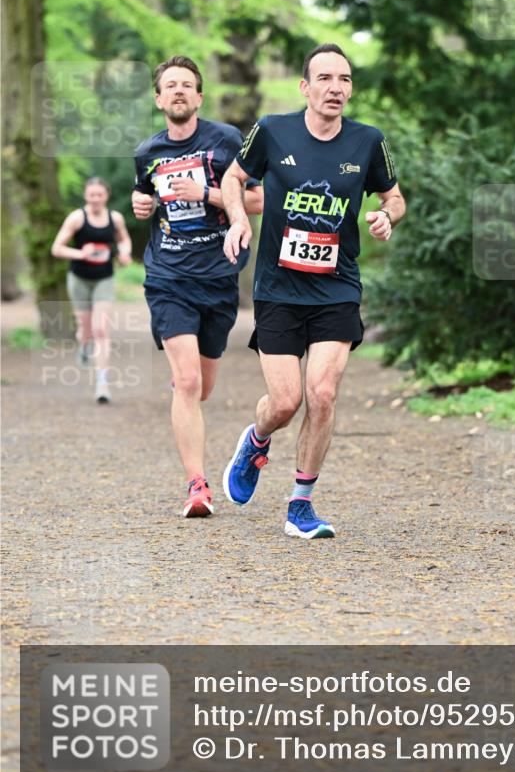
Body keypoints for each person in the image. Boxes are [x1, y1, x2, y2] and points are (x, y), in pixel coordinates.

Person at [221, 43, 406, 540]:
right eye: (324, 78)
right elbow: (235, 178)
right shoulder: (272, 130)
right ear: (305, 87)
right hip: (278, 288)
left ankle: (300, 504)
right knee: (285, 402)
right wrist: (237, 219)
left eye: (344, 79)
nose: (335, 88)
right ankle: (257, 440)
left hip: (336, 287)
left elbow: (394, 196)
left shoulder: (368, 141)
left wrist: (387, 215)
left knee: (321, 394)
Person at [132, 55, 262, 518]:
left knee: (201, 388)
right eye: (170, 85)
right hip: (168, 277)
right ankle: (197, 486)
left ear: (199, 96)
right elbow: (145, 196)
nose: (179, 91)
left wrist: (206, 194)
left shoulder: (226, 141)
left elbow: (258, 199)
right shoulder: (147, 152)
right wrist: (141, 205)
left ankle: (185, 387)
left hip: (219, 276)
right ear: (158, 99)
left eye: (187, 85)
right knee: (187, 381)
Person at [52, 177, 133, 404]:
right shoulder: (77, 218)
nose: (95, 199)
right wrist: (81, 253)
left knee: (101, 330)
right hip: (79, 279)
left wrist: (124, 253)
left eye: (99, 194)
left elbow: (124, 240)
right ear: (86, 196)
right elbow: (57, 248)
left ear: (106, 195)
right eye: (91, 195)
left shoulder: (115, 218)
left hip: (104, 279)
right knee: (85, 330)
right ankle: (83, 344)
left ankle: (102, 383)